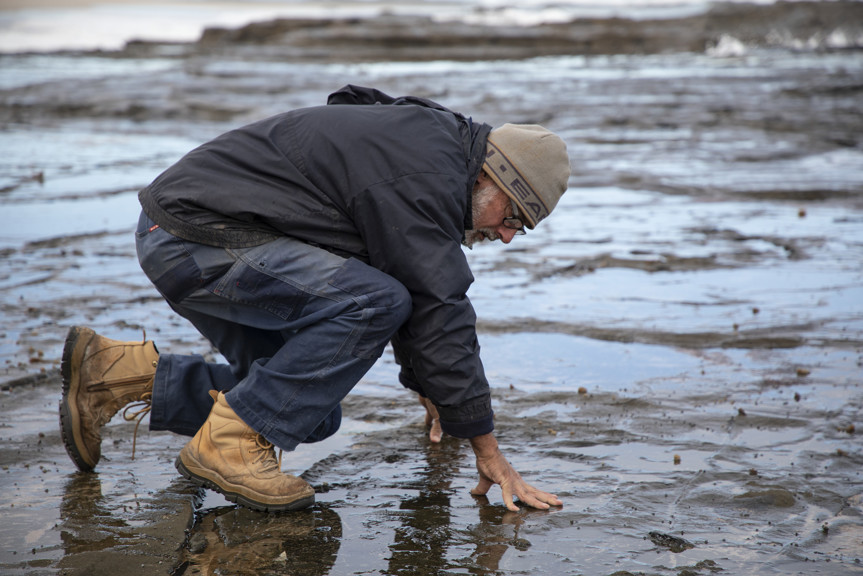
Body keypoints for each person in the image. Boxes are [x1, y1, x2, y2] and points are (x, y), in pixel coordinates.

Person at [58, 85, 570, 514]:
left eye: (518, 231)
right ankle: (230, 446)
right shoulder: (425, 176)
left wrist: (433, 387)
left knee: (306, 409)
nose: (505, 236)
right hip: (192, 238)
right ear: (493, 177)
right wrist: (487, 448)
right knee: (374, 303)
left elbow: (417, 285)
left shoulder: (434, 149)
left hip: (187, 234)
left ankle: (113, 375)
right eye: (512, 218)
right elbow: (438, 307)